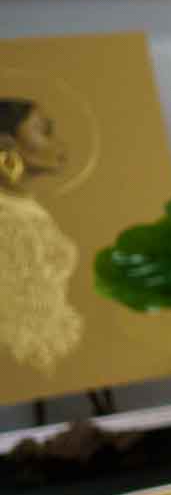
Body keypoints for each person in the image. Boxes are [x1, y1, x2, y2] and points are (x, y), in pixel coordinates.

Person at [0, 97, 84, 374]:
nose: (59, 143)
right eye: (44, 131)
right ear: (8, 144)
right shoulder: (8, 219)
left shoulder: (23, 205)